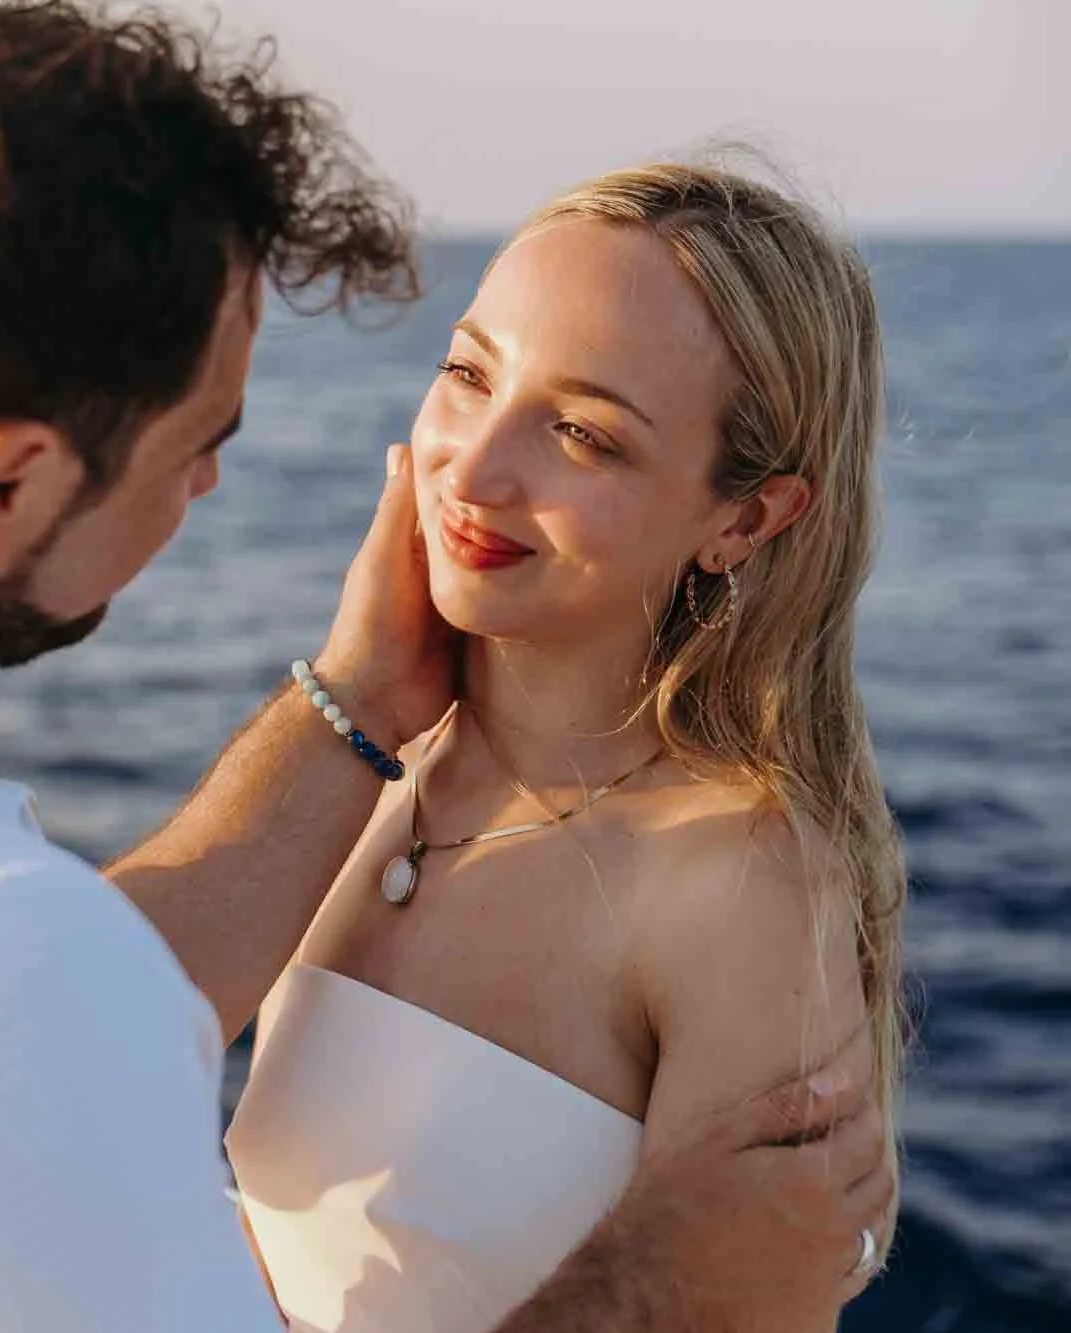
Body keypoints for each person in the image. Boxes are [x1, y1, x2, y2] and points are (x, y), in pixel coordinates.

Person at [0, 3, 893, 1330]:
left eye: (579, 428)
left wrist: (356, 707)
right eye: (198, 445)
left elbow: (87, 1016)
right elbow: (25, 1007)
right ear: (3, 490)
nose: (207, 489)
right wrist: (670, 1285)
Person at [225, 162, 909, 1333]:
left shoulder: (731, 883)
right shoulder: (378, 766)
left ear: (743, 517)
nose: (471, 470)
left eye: (583, 433)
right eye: (466, 373)